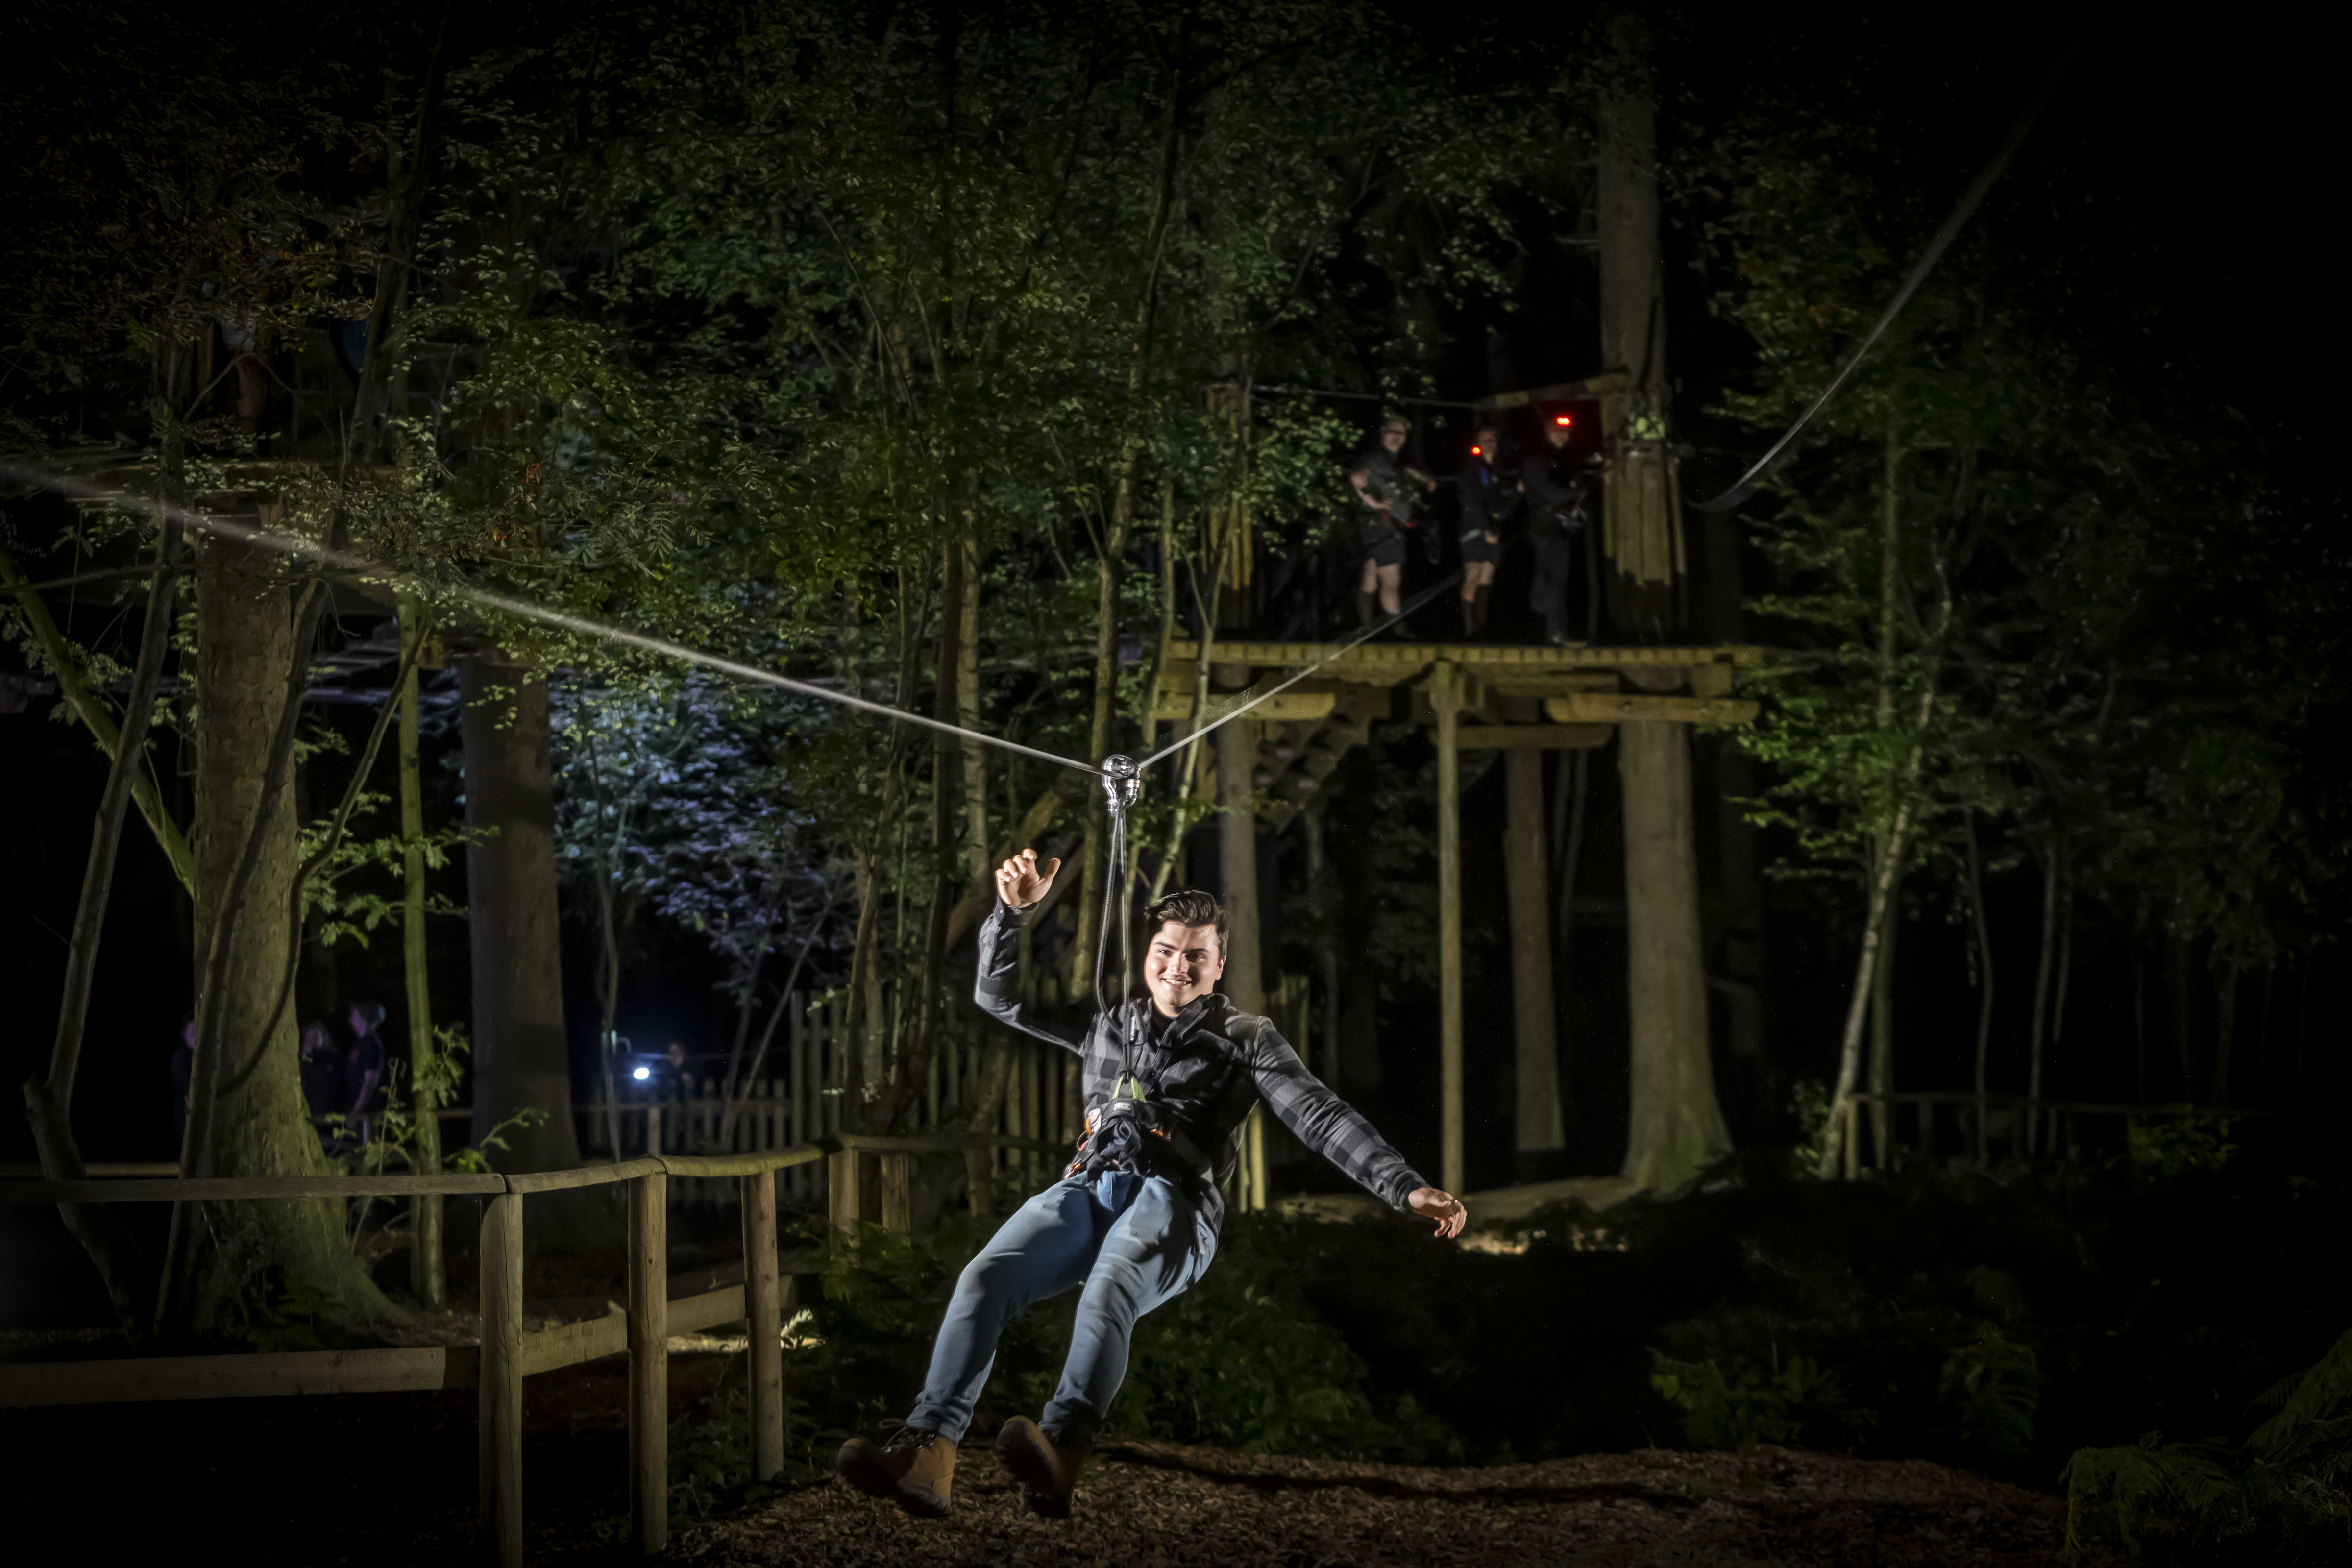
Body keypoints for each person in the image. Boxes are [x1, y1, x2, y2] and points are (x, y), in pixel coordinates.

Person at [836, 850, 1468, 1522]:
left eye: (1197, 956)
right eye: (1167, 951)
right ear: (1148, 953)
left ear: (1219, 965)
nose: (1178, 966)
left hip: (1175, 1204)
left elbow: (1317, 1114)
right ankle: (929, 1453)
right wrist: (1013, 915)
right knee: (985, 1277)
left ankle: (1062, 1452)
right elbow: (1001, 998)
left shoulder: (1247, 1038)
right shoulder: (1109, 1021)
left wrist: (1403, 1187)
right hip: (1089, 1188)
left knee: (1110, 1289)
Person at [1347, 416, 1436, 629]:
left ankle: (1367, 628)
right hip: (1384, 526)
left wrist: (1425, 479)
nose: (1396, 437)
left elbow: (1413, 475)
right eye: (1392, 432)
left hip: (1376, 527)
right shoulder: (1376, 459)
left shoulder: (1394, 462)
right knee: (1391, 579)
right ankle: (1395, 627)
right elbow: (1357, 478)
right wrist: (1375, 503)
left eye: (1401, 433)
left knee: (1370, 577)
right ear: (1383, 432)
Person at [1521, 411, 1590, 647]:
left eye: (1565, 431)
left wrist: (1577, 488)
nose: (1562, 435)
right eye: (1556, 430)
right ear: (1547, 432)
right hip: (1546, 524)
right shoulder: (1537, 458)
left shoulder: (1561, 460)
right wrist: (1573, 493)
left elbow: (1568, 486)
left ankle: (1543, 610)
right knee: (1556, 577)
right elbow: (1546, 490)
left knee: (1548, 574)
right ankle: (1557, 632)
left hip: (1556, 524)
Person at [1456, 423, 1519, 637]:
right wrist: (1485, 529)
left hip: (1494, 531)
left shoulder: (1500, 469)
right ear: (1478, 444)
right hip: (1474, 531)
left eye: (1492, 439)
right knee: (1473, 575)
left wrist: (1517, 493)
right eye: (1484, 439)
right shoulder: (1471, 471)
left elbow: (1504, 503)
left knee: (1487, 577)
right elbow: (1472, 503)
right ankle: (1467, 628)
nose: (1488, 444)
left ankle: (1481, 626)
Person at [343, 1000, 389, 1146]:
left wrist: (355, 1113)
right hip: (359, 1115)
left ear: (363, 1017)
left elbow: (370, 1083)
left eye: (354, 1015)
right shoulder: (361, 1043)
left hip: (366, 1116)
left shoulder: (371, 1044)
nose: (350, 1020)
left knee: (365, 1158)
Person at [299, 1022, 346, 1151]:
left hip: (332, 1115)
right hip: (314, 1113)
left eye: (316, 1034)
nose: (313, 1039)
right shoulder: (310, 1058)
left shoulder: (333, 1058)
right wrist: (306, 1051)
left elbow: (320, 1080)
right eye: (309, 1036)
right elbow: (305, 1075)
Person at [169, 1019, 196, 1146]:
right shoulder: (180, 1058)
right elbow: (184, 1086)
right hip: (184, 1114)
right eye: (193, 1032)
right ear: (184, 1034)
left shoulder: (198, 1057)